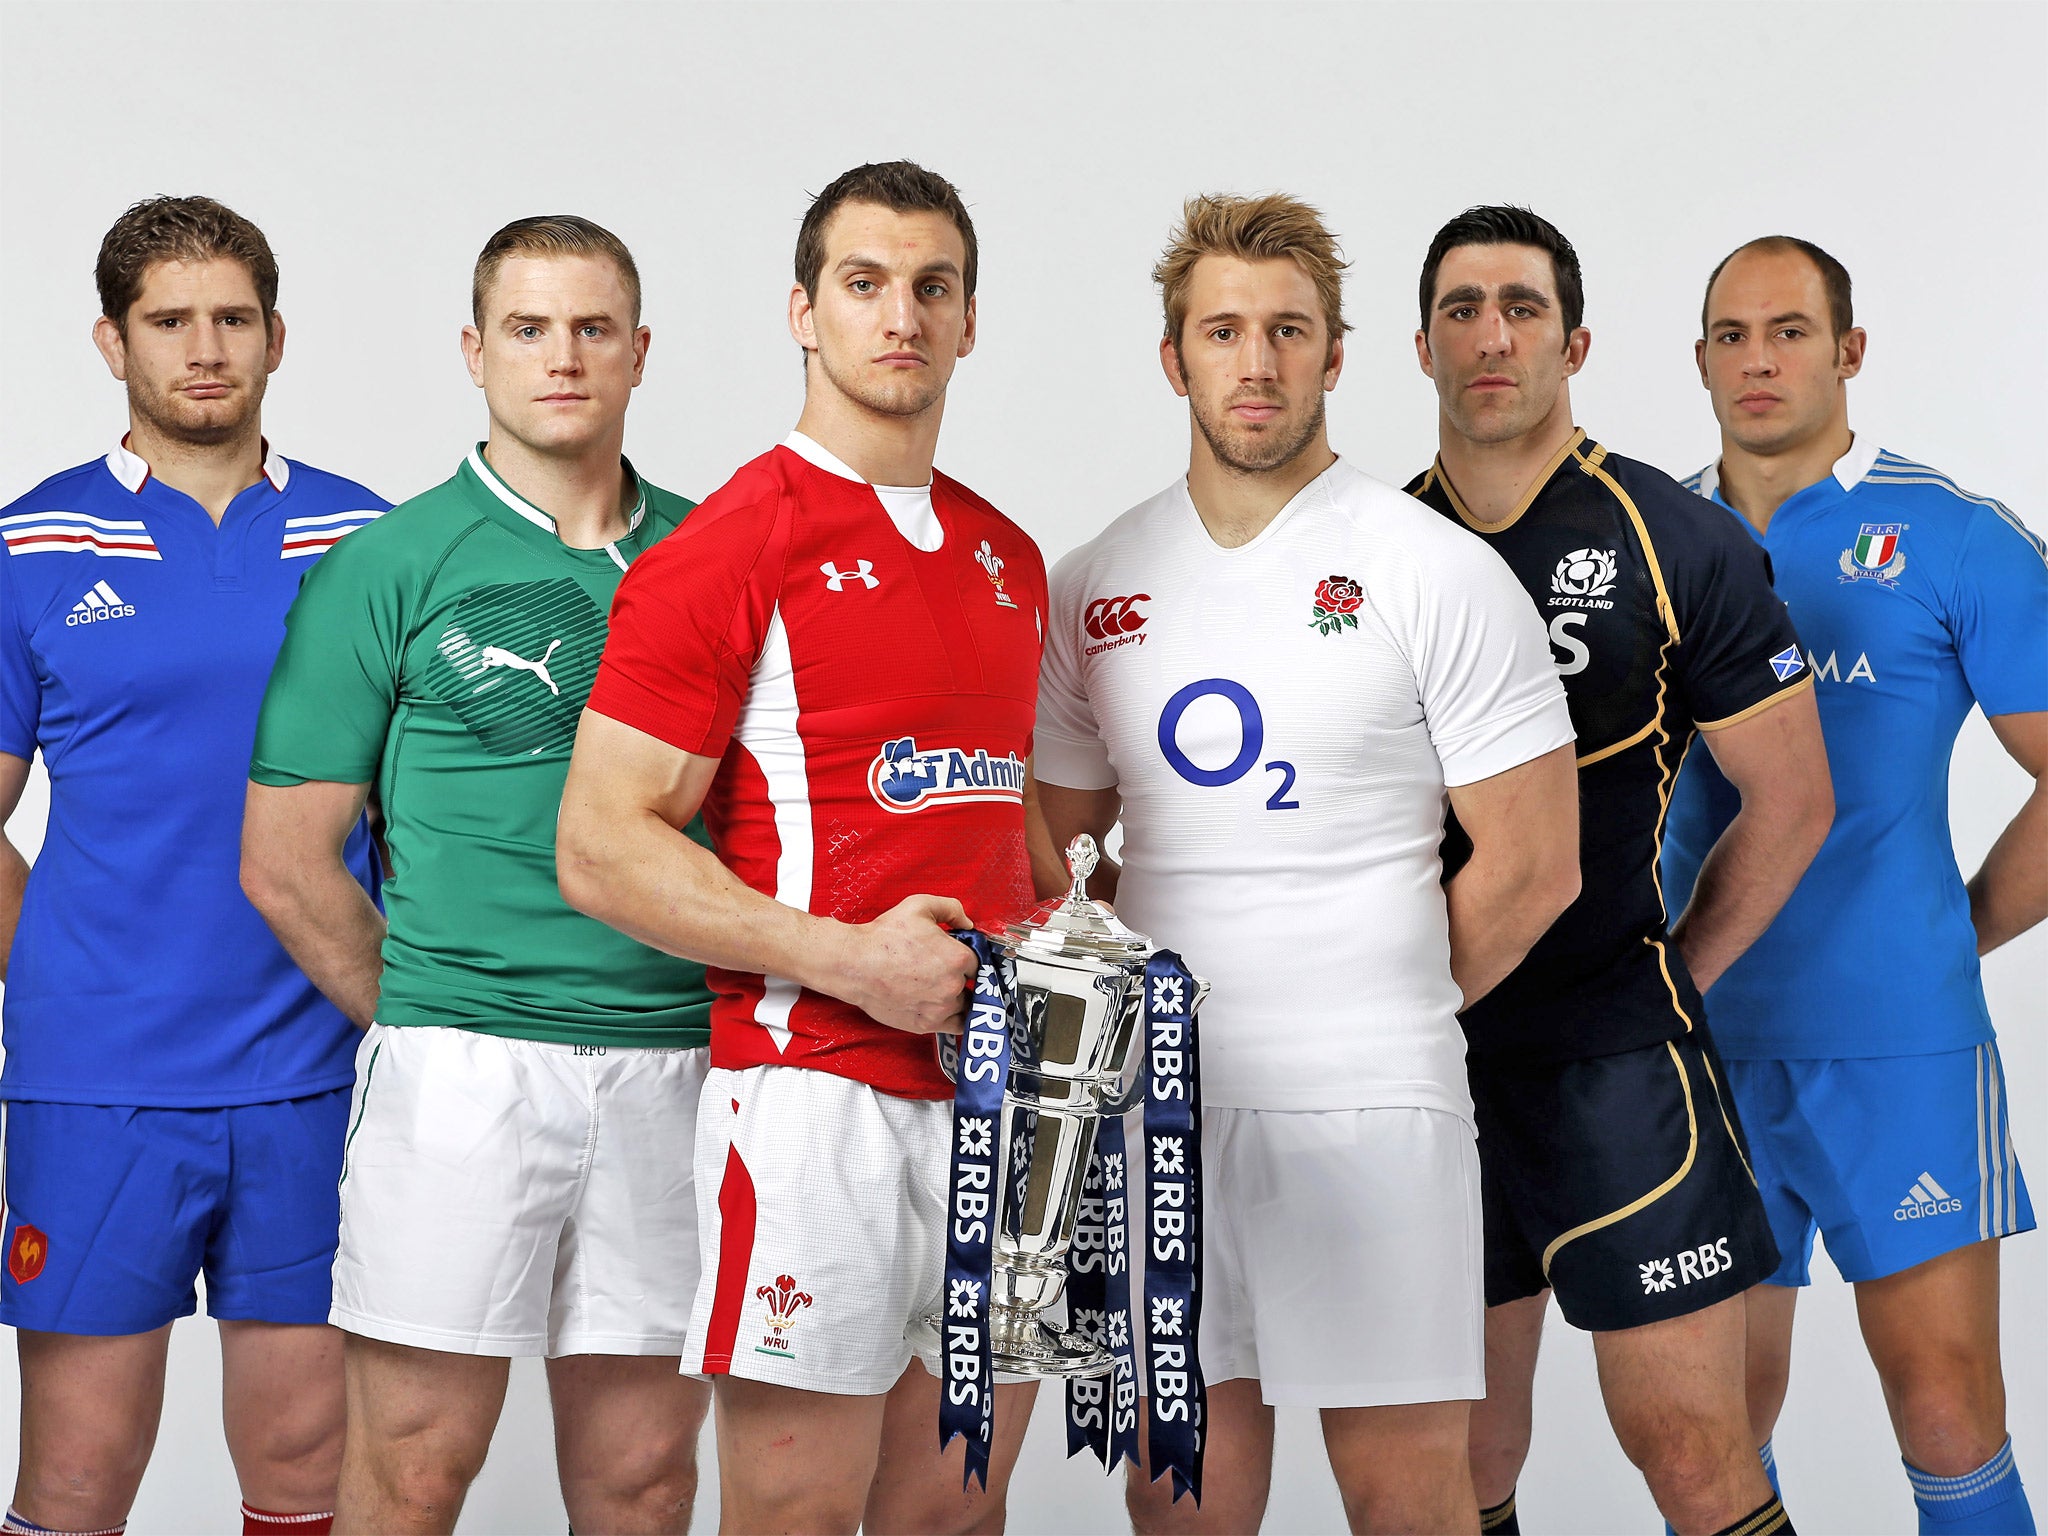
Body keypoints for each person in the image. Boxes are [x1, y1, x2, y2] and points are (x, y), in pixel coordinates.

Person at [1030, 192, 1582, 1536]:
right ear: (1176, 360)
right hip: (1158, 1114)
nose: (1258, 362)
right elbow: (1060, 859)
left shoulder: (1428, 568)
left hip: (1374, 1103)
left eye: (1289, 331)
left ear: (1337, 355)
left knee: (1406, 1497)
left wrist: (1377, 995)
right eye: (1224, 331)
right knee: (1183, 1505)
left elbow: (1534, 863)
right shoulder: (1092, 578)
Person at [556, 160, 1045, 1536]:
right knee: (792, 1511)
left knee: (957, 1505)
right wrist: (846, 962)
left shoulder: (1009, 555)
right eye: (866, 283)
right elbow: (598, 846)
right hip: (810, 1097)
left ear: (968, 320)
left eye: (932, 287)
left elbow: (1005, 827)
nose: (902, 315)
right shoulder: (729, 545)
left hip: (996, 1103)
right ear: (803, 312)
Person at [240, 216, 713, 1536]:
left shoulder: (714, 559)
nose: (561, 357)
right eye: (528, 328)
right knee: (412, 1467)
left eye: (592, 329)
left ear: (637, 353)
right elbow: (284, 863)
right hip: (463, 1075)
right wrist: (432, 1009)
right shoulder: (389, 565)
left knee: (645, 1480)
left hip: (679, 1067)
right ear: (475, 351)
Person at [1403, 205, 1835, 1536]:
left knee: (1691, 1445)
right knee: (1457, 1463)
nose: (1494, 336)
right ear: (1420, 345)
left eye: (1522, 307)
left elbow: (1795, 799)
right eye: (1464, 309)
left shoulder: (1670, 536)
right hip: (1420, 1059)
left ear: (1574, 339)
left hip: (1613, 1056)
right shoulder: (1360, 551)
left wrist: (1674, 978)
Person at [0, 195, 388, 1536]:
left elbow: (430, 814)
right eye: (170, 321)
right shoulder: (30, 546)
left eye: (232, 318)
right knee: (77, 1471)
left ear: (278, 336)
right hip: (98, 1085)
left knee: (303, 1464)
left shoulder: (370, 544)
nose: (204, 348)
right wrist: (66, 969)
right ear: (113, 341)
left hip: (319, 1074)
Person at [1665, 235, 2044, 1536]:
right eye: (1730, 333)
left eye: (1787, 330)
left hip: (1900, 1047)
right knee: (1706, 1433)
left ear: (1849, 350)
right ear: (1701, 358)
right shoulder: (1648, 538)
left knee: (1943, 1407)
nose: (1758, 359)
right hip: (1693, 1045)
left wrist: (1967, 926)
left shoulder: (1952, 537)